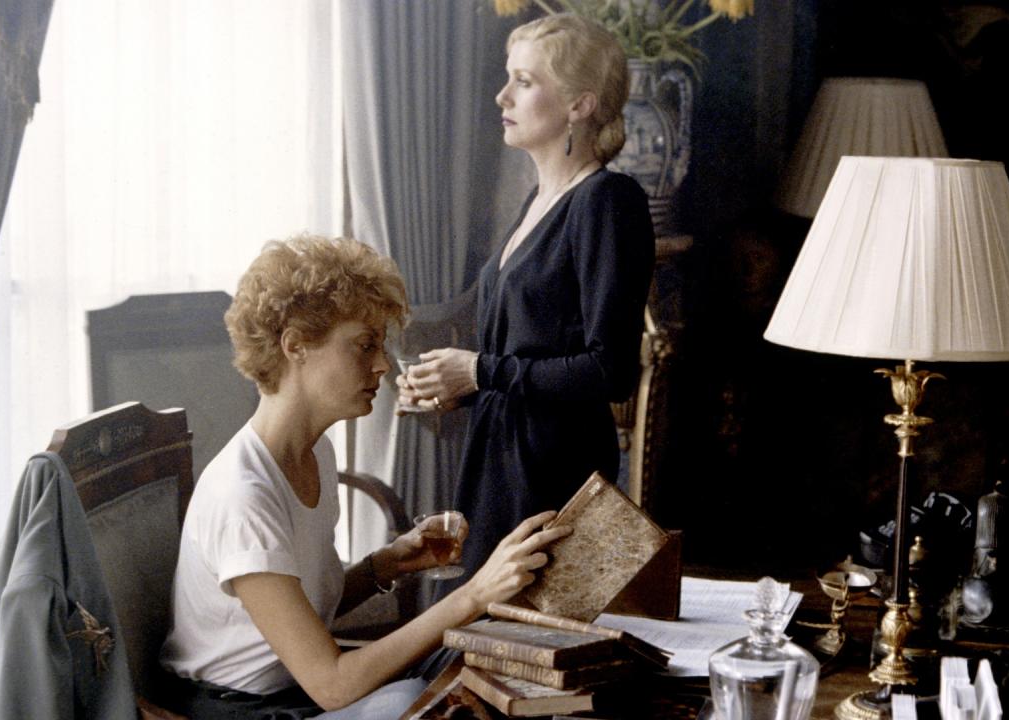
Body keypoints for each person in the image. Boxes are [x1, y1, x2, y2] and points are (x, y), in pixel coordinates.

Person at [158, 234, 571, 719]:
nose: (382, 365)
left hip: (293, 691)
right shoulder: (243, 495)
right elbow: (332, 687)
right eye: (364, 345)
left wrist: (387, 564)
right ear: (295, 345)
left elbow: (301, 610)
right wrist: (476, 593)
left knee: (483, 662)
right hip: (245, 711)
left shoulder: (314, 453)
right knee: (432, 695)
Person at [398, 14, 655, 581]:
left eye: (524, 81)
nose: (502, 96)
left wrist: (479, 371)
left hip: (551, 468)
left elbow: (609, 371)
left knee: (516, 622)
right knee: (481, 619)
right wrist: (451, 387)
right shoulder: (538, 202)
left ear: (580, 104)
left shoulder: (608, 201)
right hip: (499, 455)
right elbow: (526, 354)